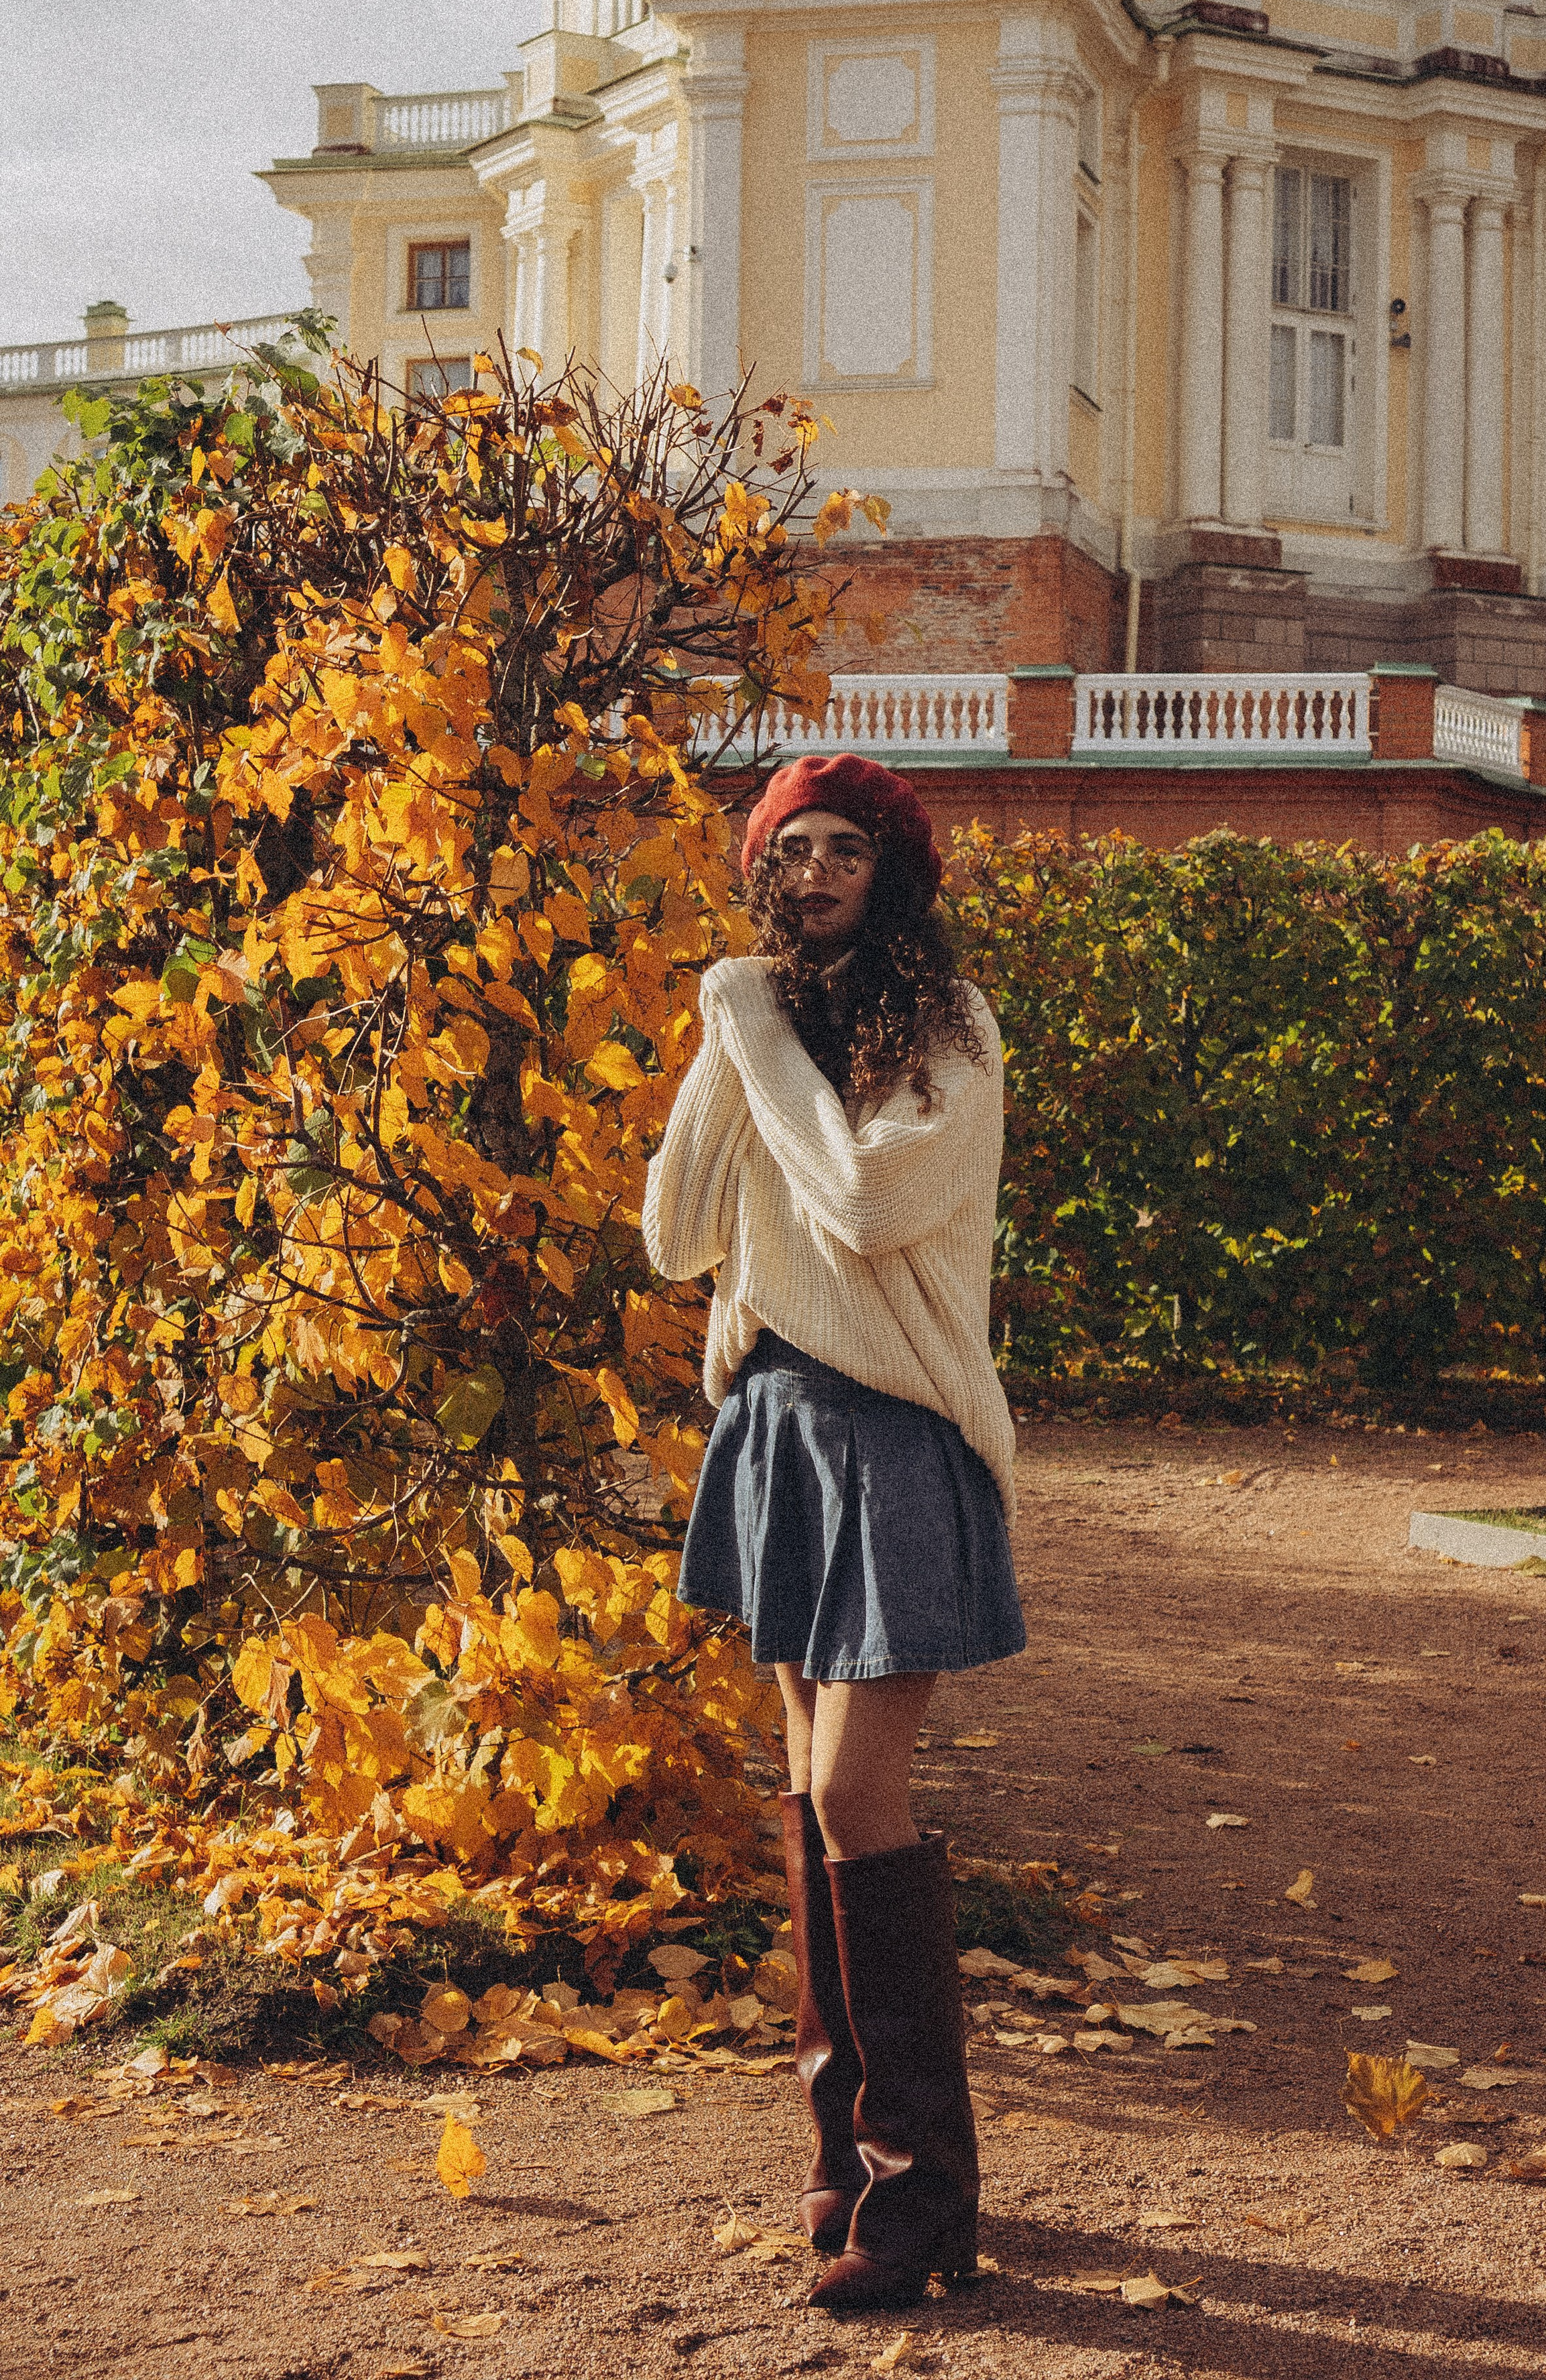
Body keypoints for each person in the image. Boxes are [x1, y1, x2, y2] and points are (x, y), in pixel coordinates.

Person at [642, 752, 1024, 2316]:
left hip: (899, 1433)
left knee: (862, 1797)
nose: (809, 877)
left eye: (841, 852)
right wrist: (735, 1046)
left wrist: (751, 1034)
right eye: (786, 851)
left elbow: (866, 1210)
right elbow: (676, 1236)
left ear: (893, 870)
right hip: (777, 1427)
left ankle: (927, 2194)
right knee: (804, 1797)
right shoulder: (758, 1024)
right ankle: (846, 2161)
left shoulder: (950, 1031)